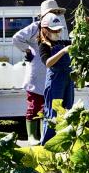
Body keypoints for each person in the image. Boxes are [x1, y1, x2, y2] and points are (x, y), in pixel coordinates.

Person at [39, 13, 75, 144]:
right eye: (54, 30)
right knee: (52, 113)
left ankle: (65, 142)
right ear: (45, 30)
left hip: (68, 80)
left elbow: (77, 42)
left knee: (68, 110)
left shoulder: (62, 42)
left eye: (59, 29)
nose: (57, 32)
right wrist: (64, 51)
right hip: (55, 82)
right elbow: (47, 62)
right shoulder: (44, 45)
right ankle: (48, 143)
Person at [12, 17, 47, 145]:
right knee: (34, 105)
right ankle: (32, 136)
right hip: (36, 72)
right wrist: (27, 50)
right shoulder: (35, 27)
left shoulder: (56, 26)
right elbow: (17, 38)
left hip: (48, 71)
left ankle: (44, 134)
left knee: (47, 107)